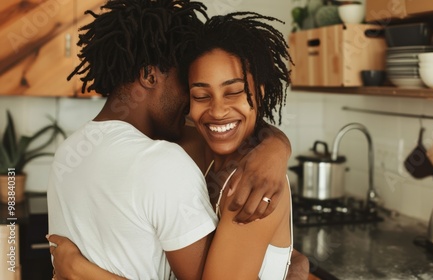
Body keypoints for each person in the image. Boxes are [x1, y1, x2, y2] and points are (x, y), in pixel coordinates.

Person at [47, 1, 294, 279]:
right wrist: (276, 147)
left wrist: (80, 271)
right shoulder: (173, 155)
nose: (212, 109)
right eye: (197, 92)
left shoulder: (68, 153)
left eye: (233, 91)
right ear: (149, 75)